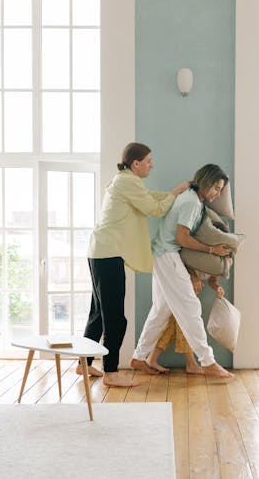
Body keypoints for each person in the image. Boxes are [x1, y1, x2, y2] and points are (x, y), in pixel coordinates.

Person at [81, 142, 190, 387]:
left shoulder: (125, 180)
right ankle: (111, 373)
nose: (153, 165)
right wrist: (176, 193)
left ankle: (84, 363)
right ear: (136, 163)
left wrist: (174, 192)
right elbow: (156, 209)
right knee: (115, 317)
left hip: (99, 251)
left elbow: (149, 197)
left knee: (99, 312)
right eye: (149, 161)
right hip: (107, 254)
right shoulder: (128, 182)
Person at [130, 164, 234, 379]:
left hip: (160, 253)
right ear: (205, 182)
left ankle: (139, 358)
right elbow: (182, 238)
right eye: (216, 187)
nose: (218, 193)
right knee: (190, 306)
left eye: (221, 190)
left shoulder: (191, 198)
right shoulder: (191, 202)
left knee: (161, 310)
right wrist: (211, 249)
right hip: (167, 255)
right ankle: (207, 361)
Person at [146, 270, 225, 375]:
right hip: (180, 281)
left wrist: (217, 287)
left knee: (174, 323)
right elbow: (185, 259)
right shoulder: (209, 255)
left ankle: (152, 359)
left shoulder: (221, 262)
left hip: (187, 285)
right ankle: (191, 363)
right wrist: (193, 277)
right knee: (185, 322)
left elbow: (213, 280)